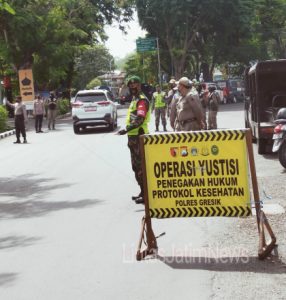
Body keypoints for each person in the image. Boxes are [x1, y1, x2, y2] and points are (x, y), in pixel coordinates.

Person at [117, 76, 150, 204]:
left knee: (141, 168)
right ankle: (143, 192)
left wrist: (126, 129)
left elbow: (140, 119)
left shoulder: (141, 101)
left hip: (140, 137)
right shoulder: (134, 100)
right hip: (133, 138)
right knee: (136, 168)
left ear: (139, 85)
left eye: (134, 85)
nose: (132, 88)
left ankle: (146, 194)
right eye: (130, 86)